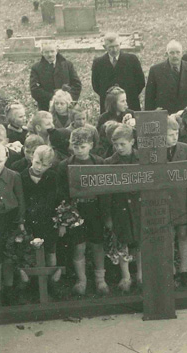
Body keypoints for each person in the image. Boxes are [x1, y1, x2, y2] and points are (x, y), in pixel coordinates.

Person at [56, 127, 108, 295]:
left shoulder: (99, 162)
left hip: (95, 209)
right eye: (75, 146)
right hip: (75, 211)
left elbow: (105, 190)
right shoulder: (65, 165)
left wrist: (106, 215)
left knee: (97, 244)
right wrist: (66, 217)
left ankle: (100, 279)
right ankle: (81, 280)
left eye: (82, 146)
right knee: (79, 246)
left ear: (91, 145)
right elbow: (61, 193)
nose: (78, 150)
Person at [103, 124, 140, 292]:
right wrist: (108, 217)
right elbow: (106, 194)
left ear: (132, 142)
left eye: (122, 144)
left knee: (140, 241)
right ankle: (126, 276)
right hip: (119, 209)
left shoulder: (142, 159)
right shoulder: (109, 163)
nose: (118, 148)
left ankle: (141, 274)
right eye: (115, 145)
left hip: (139, 208)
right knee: (121, 243)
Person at [21, 145, 61, 288]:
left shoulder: (52, 177)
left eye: (44, 165)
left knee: (51, 251)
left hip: (48, 221)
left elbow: (58, 201)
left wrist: (60, 223)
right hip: (29, 221)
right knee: (28, 252)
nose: (39, 167)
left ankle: (52, 283)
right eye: (37, 162)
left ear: (49, 165)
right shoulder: (22, 177)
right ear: (32, 158)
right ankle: (29, 284)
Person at [165, 116, 187, 287]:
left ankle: (184, 269)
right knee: (168, 235)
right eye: (170, 134)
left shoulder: (185, 150)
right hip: (166, 200)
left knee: (183, 233)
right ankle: (170, 269)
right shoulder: (155, 151)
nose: (174, 137)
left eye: (176, 133)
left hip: (182, 199)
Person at [145, 40, 187, 114]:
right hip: (165, 116)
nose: (175, 56)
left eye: (178, 52)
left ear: (182, 53)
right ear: (167, 54)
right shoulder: (155, 70)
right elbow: (149, 97)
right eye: (172, 53)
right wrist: (152, 113)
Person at [91, 32, 145, 113]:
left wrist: (130, 95)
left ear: (120, 44)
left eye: (117, 46)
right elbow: (96, 85)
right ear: (105, 47)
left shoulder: (132, 60)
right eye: (111, 47)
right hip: (108, 106)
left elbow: (140, 82)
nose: (114, 50)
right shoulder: (98, 63)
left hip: (130, 103)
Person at [0, 145, 25, 305]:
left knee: (8, 256)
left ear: (6, 157)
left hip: (9, 220)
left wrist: (20, 221)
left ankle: (8, 288)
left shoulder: (14, 176)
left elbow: (21, 201)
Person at [30, 40, 81, 111]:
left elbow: (77, 85)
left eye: (52, 51)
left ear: (56, 51)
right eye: (46, 52)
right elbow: (35, 90)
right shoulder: (36, 68)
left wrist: (67, 98)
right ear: (42, 53)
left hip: (67, 106)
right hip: (46, 107)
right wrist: (53, 97)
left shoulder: (67, 65)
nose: (50, 54)